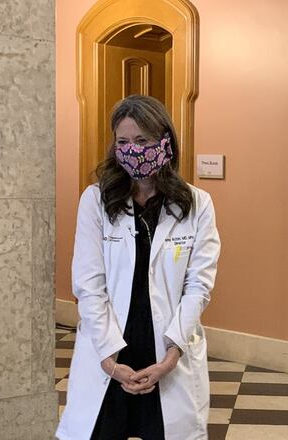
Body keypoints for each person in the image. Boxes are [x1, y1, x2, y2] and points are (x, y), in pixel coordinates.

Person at [56, 95, 221, 440]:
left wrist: (172, 354)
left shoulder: (197, 204)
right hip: (111, 349)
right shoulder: (96, 201)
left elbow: (198, 286)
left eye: (142, 141)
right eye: (123, 142)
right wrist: (108, 360)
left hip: (166, 350)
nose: (133, 150)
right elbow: (88, 284)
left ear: (165, 142)